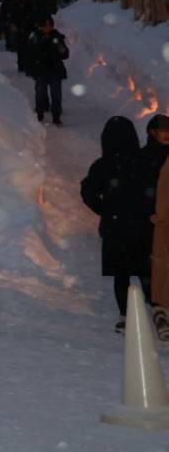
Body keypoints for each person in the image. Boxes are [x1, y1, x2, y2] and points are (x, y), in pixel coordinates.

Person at [81, 116, 153, 332]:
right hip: (143, 226)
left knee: (121, 275)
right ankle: (155, 310)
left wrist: (105, 209)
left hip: (116, 228)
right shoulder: (144, 162)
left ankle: (126, 315)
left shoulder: (103, 165)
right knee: (146, 270)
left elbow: (88, 191)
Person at [22, 15, 70, 126]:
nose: (47, 27)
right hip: (40, 70)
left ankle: (56, 116)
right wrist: (30, 68)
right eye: (45, 25)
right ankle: (40, 113)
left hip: (55, 70)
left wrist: (62, 50)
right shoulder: (35, 37)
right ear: (41, 26)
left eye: (49, 25)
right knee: (40, 93)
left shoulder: (57, 36)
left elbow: (65, 54)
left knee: (56, 94)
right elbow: (29, 54)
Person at [146, 115, 169, 340]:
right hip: (156, 221)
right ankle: (158, 308)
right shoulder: (146, 156)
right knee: (158, 266)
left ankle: (159, 308)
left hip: (161, 220)